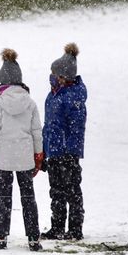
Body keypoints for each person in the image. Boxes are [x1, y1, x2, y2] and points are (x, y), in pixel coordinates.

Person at [0, 48, 44, 251]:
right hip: (25, 157)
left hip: (4, 160)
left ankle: (1, 237)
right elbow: (36, 132)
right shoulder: (30, 102)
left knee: (4, 199)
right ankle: (33, 239)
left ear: (2, 81)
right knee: (28, 198)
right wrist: (38, 154)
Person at [42, 42, 86, 241]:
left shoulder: (73, 97)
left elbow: (76, 127)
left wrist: (69, 149)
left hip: (67, 151)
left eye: (54, 73)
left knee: (72, 190)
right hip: (54, 151)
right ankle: (57, 226)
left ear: (63, 77)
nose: (51, 76)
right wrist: (44, 149)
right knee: (56, 191)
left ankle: (75, 229)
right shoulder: (52, 96)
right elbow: (48, 125)